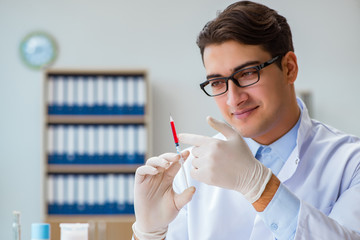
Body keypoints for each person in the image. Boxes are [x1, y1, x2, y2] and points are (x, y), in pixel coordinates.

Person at [132, 1, 360, 239]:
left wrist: (260, 188)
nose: (233, 99)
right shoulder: (192, 170)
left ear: (289, 68)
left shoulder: (351, 163)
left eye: (248, 73)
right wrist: (148, 233)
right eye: (218, 82)